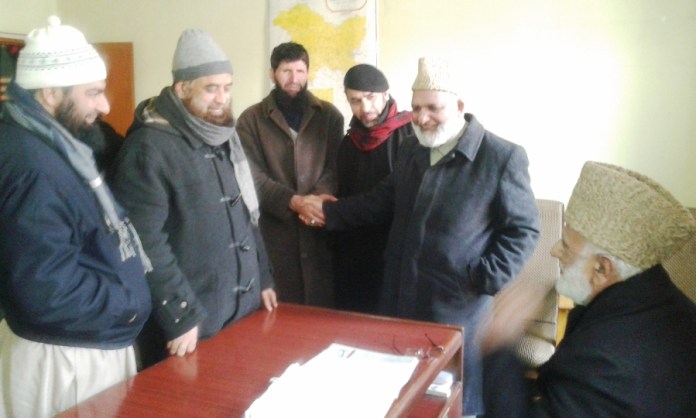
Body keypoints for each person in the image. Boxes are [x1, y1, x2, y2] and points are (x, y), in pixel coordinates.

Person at [318, 56, 540, 416]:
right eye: (417, 107)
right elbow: (382, 200)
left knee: (456, 402)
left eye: (433, 108)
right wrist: (327, 212)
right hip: (400, 303)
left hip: (457, 310)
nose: (421, 118)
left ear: (460, 105)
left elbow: (524, 230)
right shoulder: (412, 148)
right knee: (404, 398)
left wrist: (484, 277)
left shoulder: (501, 157)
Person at [0, 16, 152, 417]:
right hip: (65, 361)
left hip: (82, 345)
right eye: (93, 93)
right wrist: (127, 303)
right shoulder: (33, 166)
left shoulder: (52, 145)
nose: (104, 106)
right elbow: (45, 289)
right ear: (51, 93)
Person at [110, 29, 277, 369]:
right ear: (182, 88)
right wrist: (181, 313)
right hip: (192, 325)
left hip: (241, 312)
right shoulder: (148, 147)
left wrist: (263, 278)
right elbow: (143, 241)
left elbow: (245, 214)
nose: (222, 98)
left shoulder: (222, 134)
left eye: (227, 87)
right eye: (211, 88)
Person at [480, 161, 696, 418]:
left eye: (566, 246)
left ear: (602, 269)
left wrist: (500, 346)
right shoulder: (667, 303)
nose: (554, 251)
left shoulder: (602, 362)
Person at [236, 42, 343, 307]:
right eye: (286, 71)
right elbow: (252, 178)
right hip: (274, 237)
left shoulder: (330, 116)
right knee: (280, 317)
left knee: (322, 314)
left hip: (320, 230)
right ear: (272, 74)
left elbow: (335, 167)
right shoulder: (250, 120)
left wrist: (315, 202)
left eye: (300, 71)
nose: (294, 79)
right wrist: (294, 202)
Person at [332, 63, 413, 314]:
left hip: (397, 250)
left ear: (386, 94)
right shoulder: (348, 143)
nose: (365, 108)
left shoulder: (413, 135)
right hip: (357, 254)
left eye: (370, 97)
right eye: (355, 101)